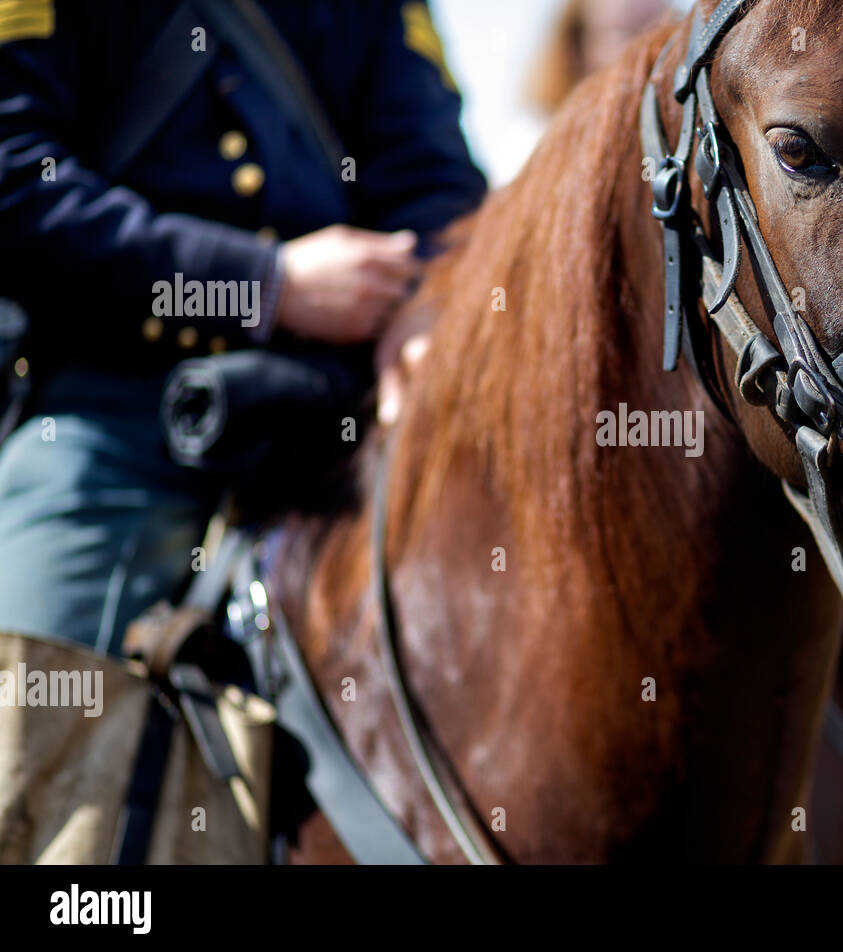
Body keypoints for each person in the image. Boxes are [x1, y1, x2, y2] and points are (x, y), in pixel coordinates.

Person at [0, 0, 487, 654]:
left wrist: (424, 303)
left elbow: (436, 177)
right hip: (115, 413)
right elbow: (16, 187)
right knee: (45, 713)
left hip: (344, 405)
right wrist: (263, 286)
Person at [528, 0, 670, 115]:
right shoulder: (535, 133)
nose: (655, 47)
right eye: (628, 32)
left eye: (659, 28)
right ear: (576, 51)